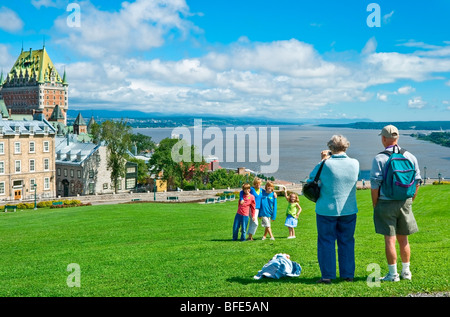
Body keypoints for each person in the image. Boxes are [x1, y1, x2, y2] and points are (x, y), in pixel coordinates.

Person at [370, 125, 421, 282]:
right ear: (397, 138)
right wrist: (410, 200)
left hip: (385, 203)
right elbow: (417, 181)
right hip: (405, 202)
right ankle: (406, 272)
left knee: (389, 239)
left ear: (384, 138)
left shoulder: (379, 158)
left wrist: (375, 203)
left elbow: (375, 185)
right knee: (404, 239)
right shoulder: (410, 156)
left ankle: (393, 275)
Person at [307, 135, 359, 284]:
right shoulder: (355, 163)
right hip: (349, 209)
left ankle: (327, 276)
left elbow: (311, 180)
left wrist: (323, 160)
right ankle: (348, 274)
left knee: (326, 242)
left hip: (326, 210)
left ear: (330, 148)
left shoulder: (325, 164)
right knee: (347, 242)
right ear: (346, 147)